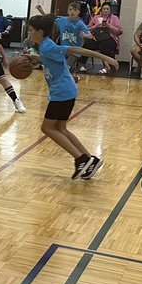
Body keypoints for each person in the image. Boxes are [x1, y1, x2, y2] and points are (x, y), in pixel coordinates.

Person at [26, 14, 118, 180]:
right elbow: (53, 60)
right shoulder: (45, 47)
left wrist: (105, 57)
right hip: (66, 90)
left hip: (61, 92)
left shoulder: (47, 46)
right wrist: (37, 58)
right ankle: (90, 160)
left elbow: (76, 50)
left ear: (40, 32)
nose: (29, 32)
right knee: (60, 129)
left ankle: (80, 159)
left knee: (47, 128)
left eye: (31, 30)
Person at [85, 4, 123, 72]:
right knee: (87, 42)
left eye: (107, 9)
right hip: (97, 38)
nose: (105, 11)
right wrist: (95, 26)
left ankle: (107, 66)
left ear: (110, 10)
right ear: (101, 10)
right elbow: (87, 29)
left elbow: (119, 32)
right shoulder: (96, 18)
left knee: (104, 44)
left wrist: (109, 26)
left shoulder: (114, 18)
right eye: (104, 9)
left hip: (110, 39)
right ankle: (82, 64)